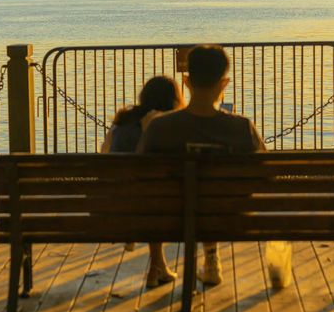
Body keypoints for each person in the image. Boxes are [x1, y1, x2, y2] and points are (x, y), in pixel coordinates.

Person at [138, 44, 270, 286]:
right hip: (231, 217)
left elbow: (139, 175)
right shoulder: (241, 128)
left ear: (186, 82)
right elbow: (267, 172)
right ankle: (212, 258)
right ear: (224, 83)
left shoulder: (159, 127)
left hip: (170, 218)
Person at [101, 75, 184, 288]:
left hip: (115, 205)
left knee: (151, 194)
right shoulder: (170, 125)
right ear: (174, 99)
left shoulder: (121, 122)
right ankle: (157, 269)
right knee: (157, 196)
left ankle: (159, 268)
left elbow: (104, 155)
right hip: (159, 205)